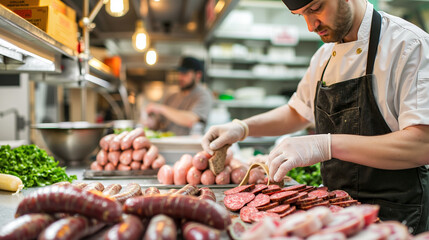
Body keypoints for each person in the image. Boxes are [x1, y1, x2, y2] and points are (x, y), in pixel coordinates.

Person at [202, 0, 429, 234]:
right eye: (301, 15)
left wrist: (325, 145)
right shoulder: (324, 56)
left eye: (315, 8)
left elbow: (422, 144)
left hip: (396, 218)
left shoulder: (408, 45)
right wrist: (242, 128)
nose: (311, 26)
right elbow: (297, 111)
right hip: (334, 216)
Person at [144, 56, 213, 136]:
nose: (180, 77)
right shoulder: (171, 97)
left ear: (198, 75)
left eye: (185, 73)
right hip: (167, 144)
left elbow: (191, 120)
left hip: (189, 146)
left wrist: (161, 108)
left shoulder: (203, 95)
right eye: (179, 73)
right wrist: (150, 123)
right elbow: (158, 124)